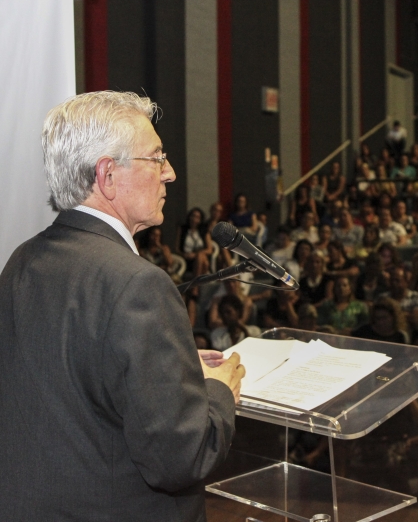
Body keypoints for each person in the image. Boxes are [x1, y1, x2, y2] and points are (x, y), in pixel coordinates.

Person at [0, 91, 245, 520]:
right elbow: (181, 457)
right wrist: (218, 390)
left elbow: (73, 386)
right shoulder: (137, 284)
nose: (169, 173)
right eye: (156, 157)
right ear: (108, 175)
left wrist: (179, 373)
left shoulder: (22, 259)